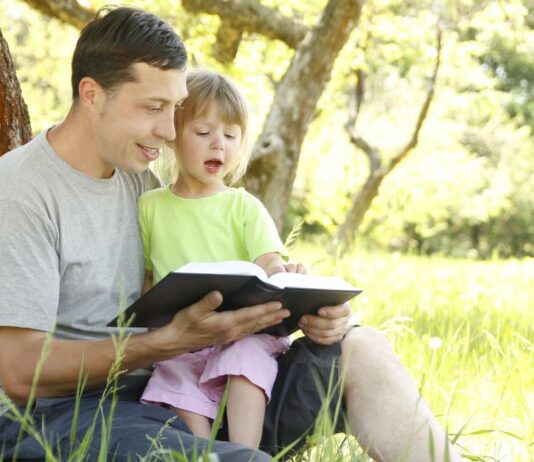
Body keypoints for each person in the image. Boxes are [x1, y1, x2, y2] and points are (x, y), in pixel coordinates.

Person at [0, 6, 462, 462]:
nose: (168, 131)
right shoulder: (22, 192)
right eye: (154, 108)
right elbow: (19, 372)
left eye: (176, 108)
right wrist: (168, 342)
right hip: (70, 414)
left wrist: (309, 315)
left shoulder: (137, 178)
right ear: (92, 93)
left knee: (360, 348)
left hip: (183, 385)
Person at [138, 69, 305, 449]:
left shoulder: (244, 207)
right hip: (183, 339)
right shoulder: (150, 206)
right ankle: (205, 453)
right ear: (175, 135)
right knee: (176, 378)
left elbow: (270, 266)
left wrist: (287, 273)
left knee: (245, 361)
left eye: (230, 136)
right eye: (203, 133)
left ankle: (246, 454)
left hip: (242, 332)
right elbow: (147, 278)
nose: (219, 145)